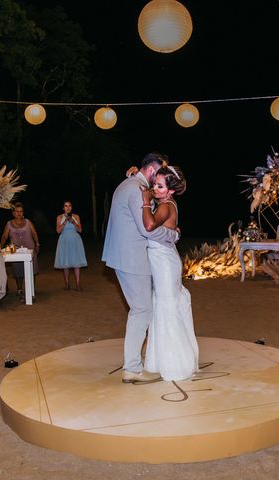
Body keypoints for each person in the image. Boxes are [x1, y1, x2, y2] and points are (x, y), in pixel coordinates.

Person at [102, 152, 179, 384]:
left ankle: (134, 365)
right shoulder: (136, 189)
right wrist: (173, 235)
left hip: (125, 256)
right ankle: (132, 369)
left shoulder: (129, 183)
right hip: (132, 258)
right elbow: (147, 229)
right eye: (161, 171)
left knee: (140, 309)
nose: (163, 175)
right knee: (141, 311)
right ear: (152, 170)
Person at [141, 165, 199, 381]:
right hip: (165, 259)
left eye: (159, 186)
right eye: (154, 183)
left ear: (171, 191)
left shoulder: (165, 205)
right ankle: (161, 359)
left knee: (166, 307)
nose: (154, 188)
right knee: (164, 305)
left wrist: (146, 200)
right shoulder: (168, 203)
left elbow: (148, 225)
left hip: (164, 263)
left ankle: (176, 364)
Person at [0, 202, 40, 298]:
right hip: (15, 251)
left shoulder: (28, 222)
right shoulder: (9, 224)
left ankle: (31, 289)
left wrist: (37, 244)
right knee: (18, 270)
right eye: (17, 211)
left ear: (23, 212)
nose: (19, 213)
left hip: (30, 249)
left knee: (32, 270)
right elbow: (5, 236)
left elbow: (34, 233)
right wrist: (0, 247)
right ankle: (19, 289)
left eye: (21, 211)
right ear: (13, 213)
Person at [54, 200, 87, 291]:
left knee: (76, 263)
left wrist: (73, 222)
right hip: (64, 240)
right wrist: (64, 222)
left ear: (71, 207)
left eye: (69, 206)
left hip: (75, 240)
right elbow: (58, 231)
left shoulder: (76, 216)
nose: (67, 208)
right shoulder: (59, 217)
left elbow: (80, 230)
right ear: (63, 208)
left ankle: (77, 284)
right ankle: (67, 284)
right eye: (65, 206)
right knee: (65, 263)